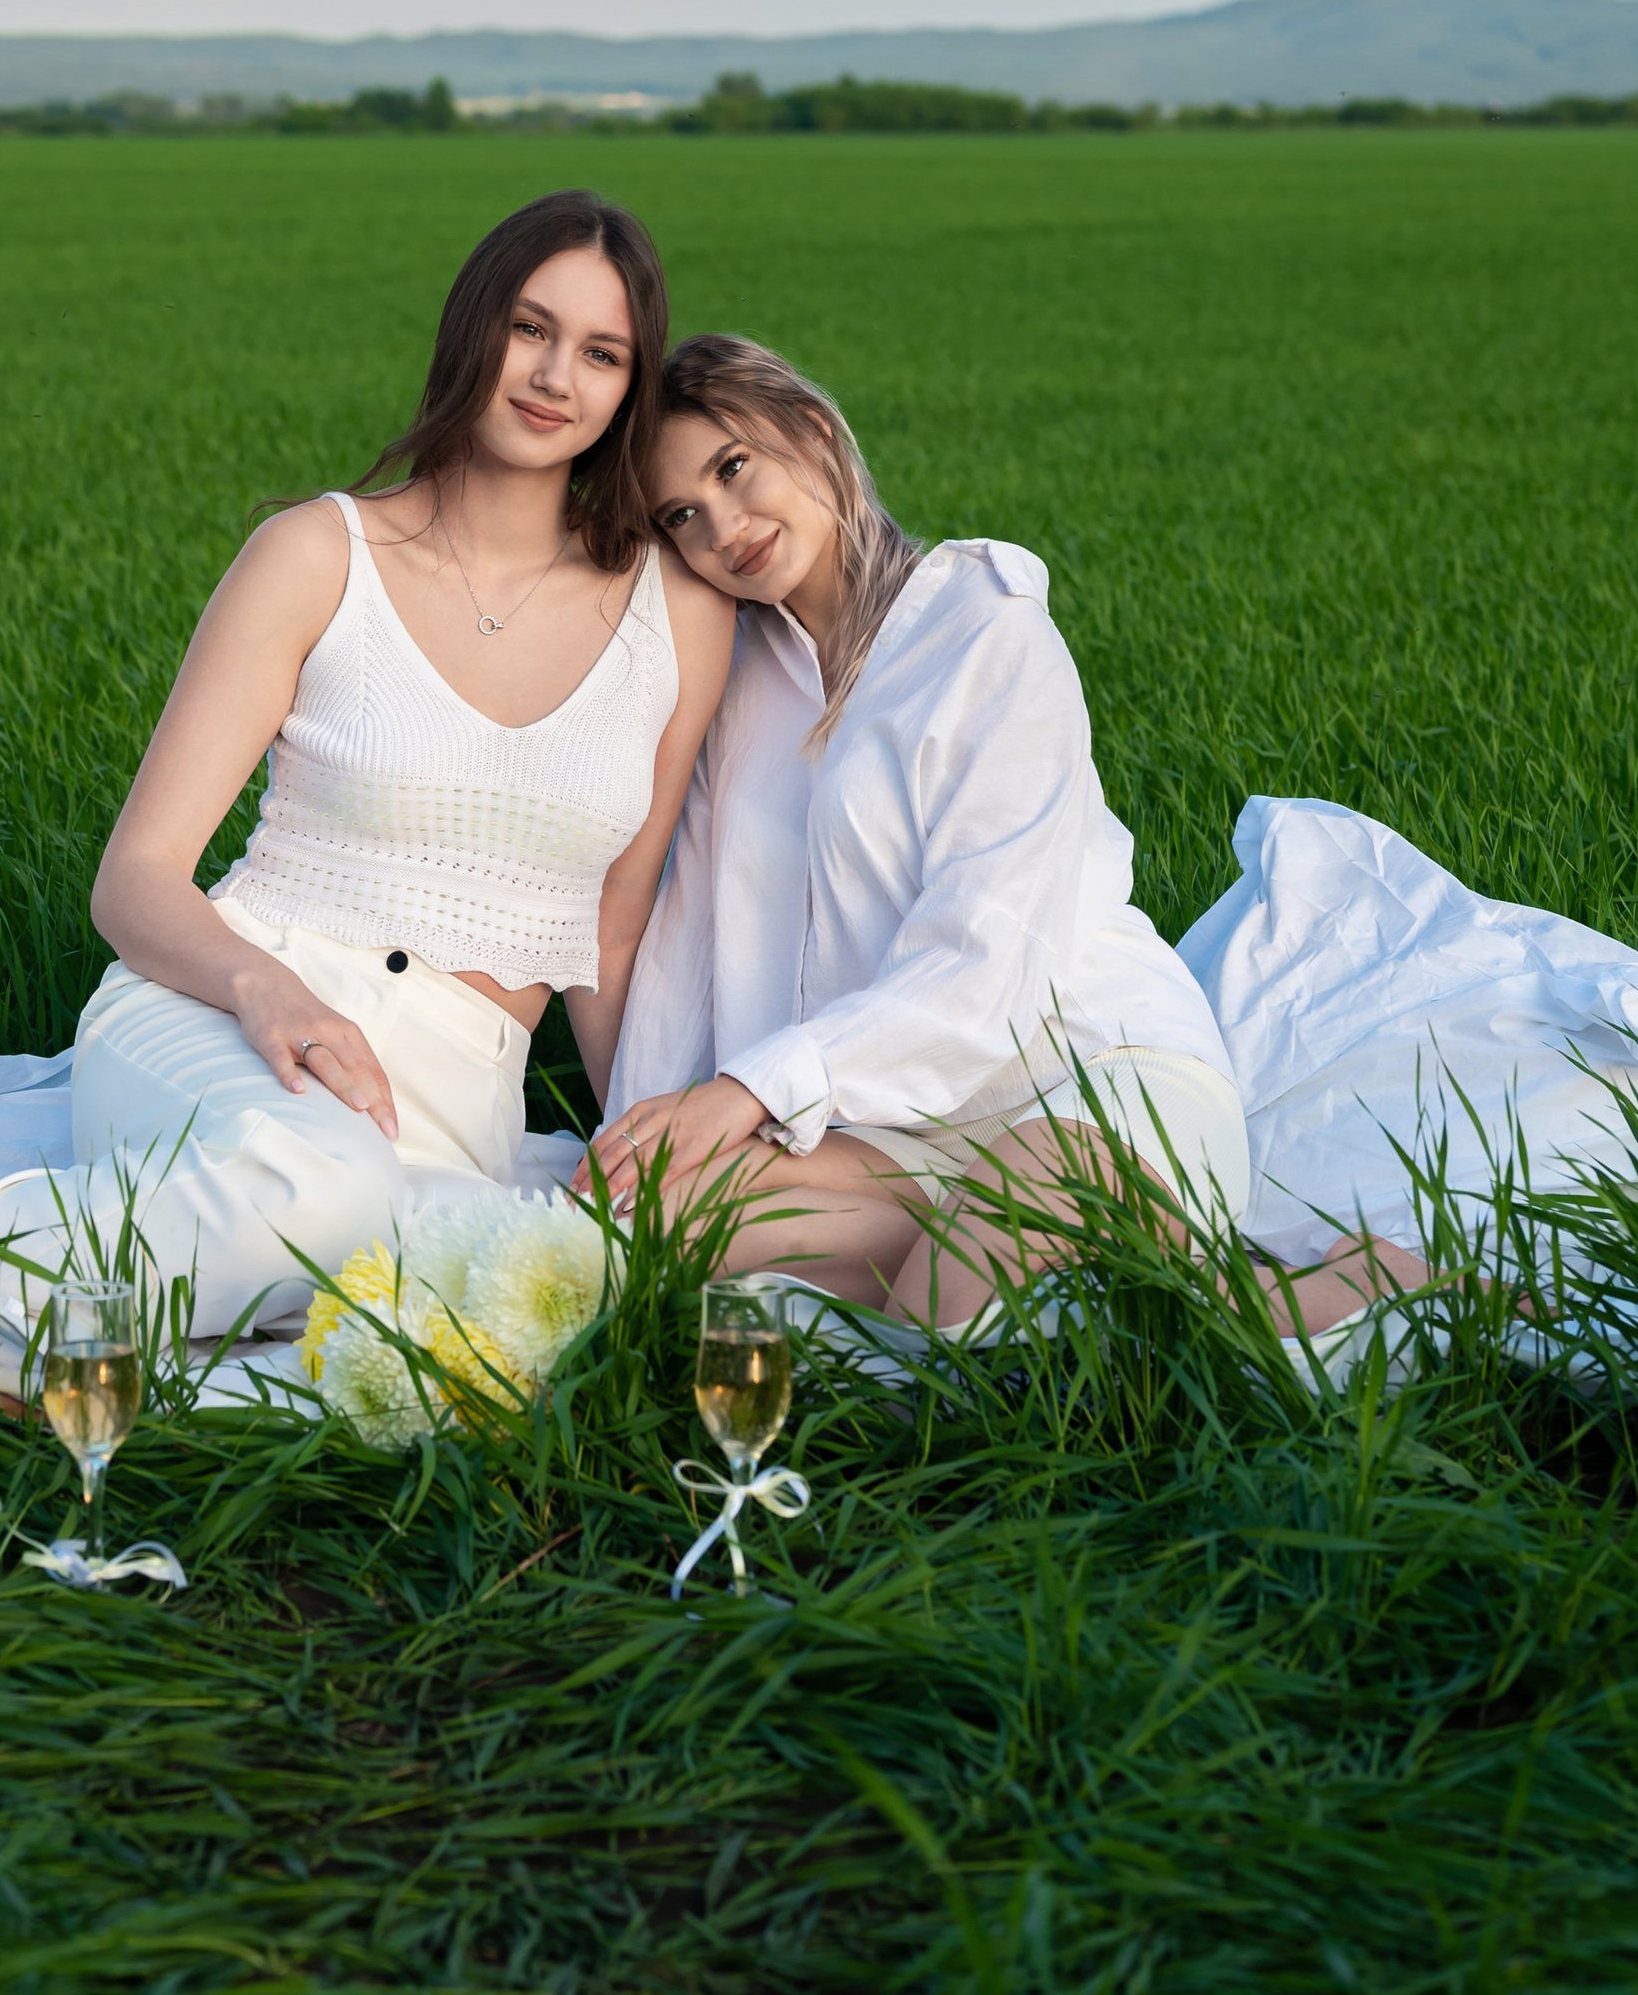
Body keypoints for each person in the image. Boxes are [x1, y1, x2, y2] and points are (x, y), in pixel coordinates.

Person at [0, 194, 731, 1371]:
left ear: (631, 386)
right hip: (224, 1018)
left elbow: (612, 937)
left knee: (441, 1295)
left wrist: (647, 1138)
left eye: (601, 353)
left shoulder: (669, 612)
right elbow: (137, 877)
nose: (554, 375)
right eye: (528, 327)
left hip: (453, 1107)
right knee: (323, 1196)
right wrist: (267, 995)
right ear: (474, 328)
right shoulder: (320, 555)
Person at [586, 335, 1419, 1334]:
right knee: (659, 1230)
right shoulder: (740, 678)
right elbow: (690, 941)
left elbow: (987, 958)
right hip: (893, 1126)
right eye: (682, 515)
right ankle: (1073, 1280)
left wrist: (753, 1090)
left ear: (808, 432)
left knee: (953, 1304)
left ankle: (1348, 1287)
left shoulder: (985, 629)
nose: (724, 527)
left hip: (1085, 1078)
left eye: (733, 469)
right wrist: (639, 1142)